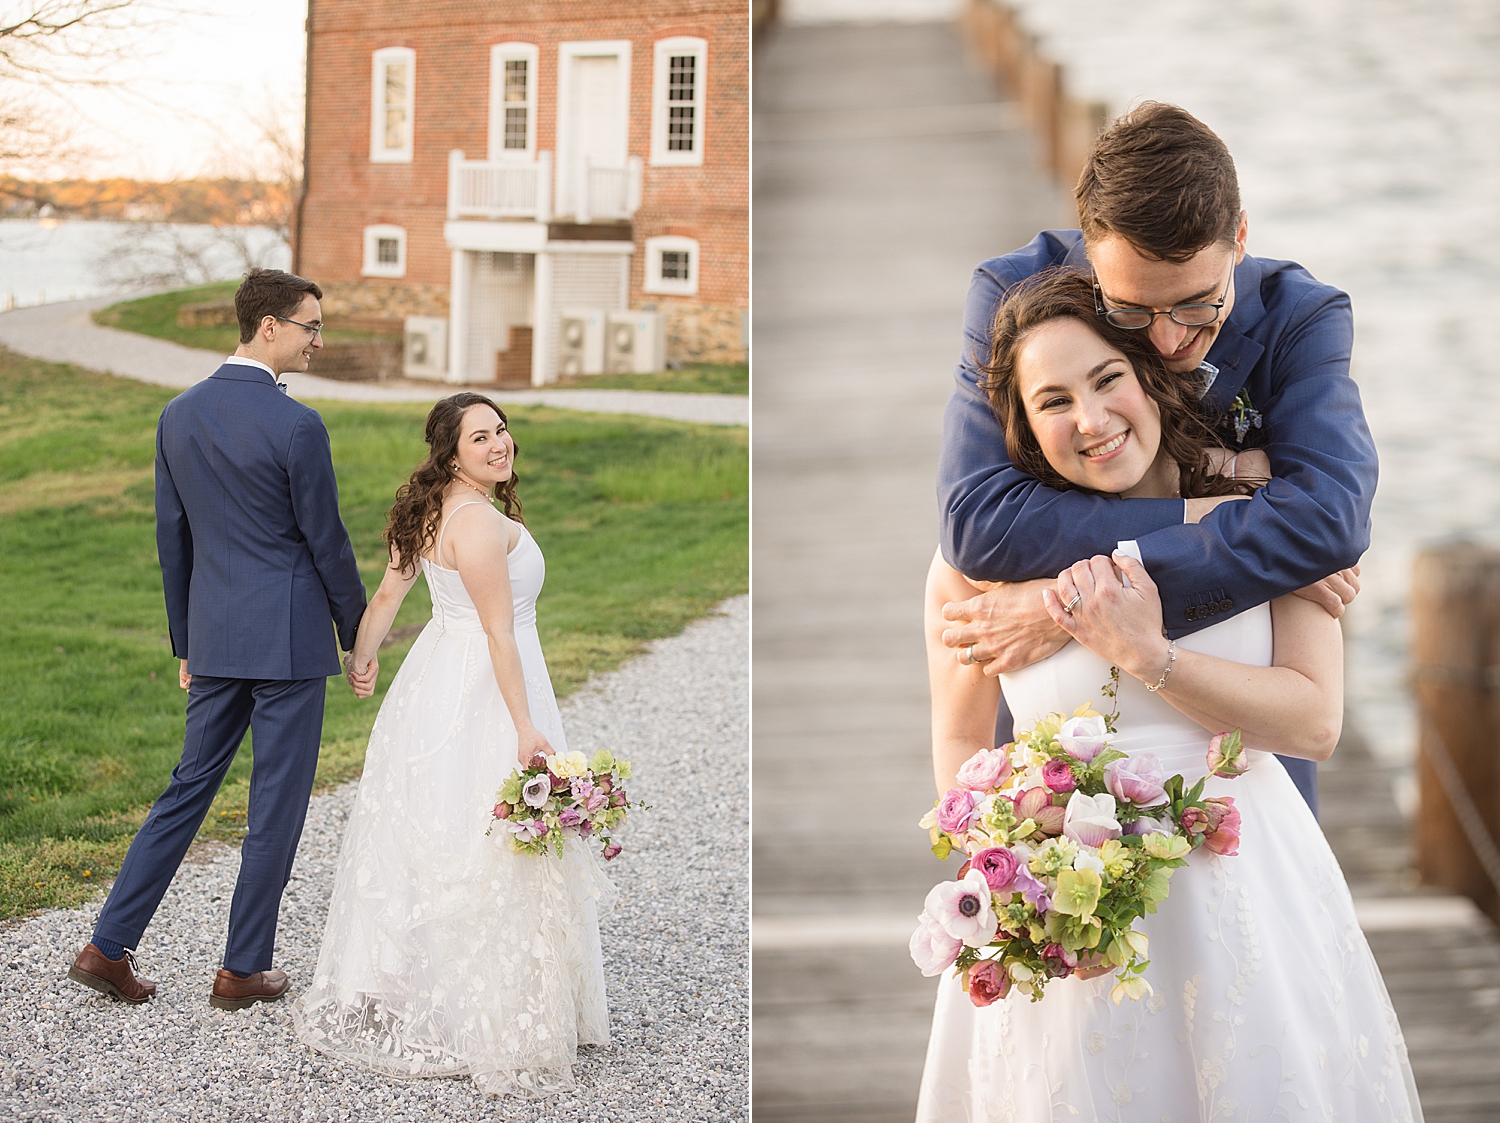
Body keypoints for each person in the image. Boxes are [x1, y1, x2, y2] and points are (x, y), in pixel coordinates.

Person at [915, 270, 1420, 1120]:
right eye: (1054, 401)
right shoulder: (975, 568)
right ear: (1028, 432)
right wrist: (1030, 853)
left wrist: (1151, 657)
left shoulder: (1270, 524)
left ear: (1150, 377)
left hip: (1248, 889)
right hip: (1071, 913)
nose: (1092, 419)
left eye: (1109, 378)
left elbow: (1315, 720)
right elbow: (962, 755)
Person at [935, 103, 1375, 818]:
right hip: (1066, 801)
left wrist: (1075, 607)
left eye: (1198, 307)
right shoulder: (1014, 294)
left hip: (1244, 781)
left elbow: (1327, 522)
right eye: (1132, 314)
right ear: (1091, 250)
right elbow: (981, 526)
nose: (1169, 341)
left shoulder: (1301, 317)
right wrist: (1206, 512)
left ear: (1238, 237)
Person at [292, 393, 612, 1097]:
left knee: (440, 829)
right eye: (480, 436)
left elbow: (387, 598)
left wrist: (363, 659)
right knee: (485, 838)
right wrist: (526, 726)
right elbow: (500, 633)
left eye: (501, 429)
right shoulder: (476, 524)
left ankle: (429, 984)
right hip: (487, 687)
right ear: (452, 452)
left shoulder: (431, 508)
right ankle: (489, 1010)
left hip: (434, 678)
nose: (500, 443)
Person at [69, 269, 367, 1009]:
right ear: (268, 325)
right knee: (276, 801)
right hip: (290, 640)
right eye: (310, 326)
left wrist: (186, 641)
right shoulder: (297, 425)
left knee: (187, 786)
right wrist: (357, 631)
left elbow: (174, 539)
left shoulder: (179, 413)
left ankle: (106, 946)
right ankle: (241, 969)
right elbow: (326, 542)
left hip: (218, 632)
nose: (317, 340)